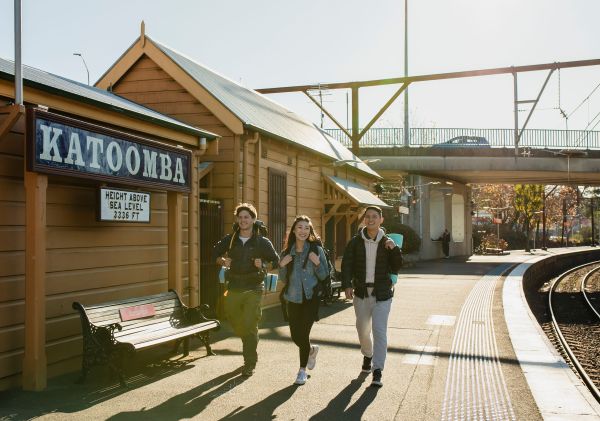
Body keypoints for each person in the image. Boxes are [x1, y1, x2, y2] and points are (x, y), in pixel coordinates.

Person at [213, 203, 279, 377]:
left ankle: (249, 362)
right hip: (234, 287)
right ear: (237, 219)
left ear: (253, 219)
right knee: (236, 322)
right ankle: (251, 338)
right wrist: (222, 261)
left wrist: (263, 264)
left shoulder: (261, 241)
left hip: (254, 288)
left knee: (249, 323)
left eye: (246, 217)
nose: (243, 220)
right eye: (240, 217)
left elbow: (276, 261)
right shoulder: (231, 239)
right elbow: (215, 254)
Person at [341, 206, 403, 388]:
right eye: (367, 217)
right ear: (364, 220)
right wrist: (347, 285)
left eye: (375, 217)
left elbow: (397, 266)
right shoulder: (355, 242)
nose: (371, 219)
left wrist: (394, 250)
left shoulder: (388, 242)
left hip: (382, 294)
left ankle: (377, 370)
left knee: (379, 331)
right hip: (361, 293)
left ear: (381, 220)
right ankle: (367, 354)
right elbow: (347, 265)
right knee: (362, 330)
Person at [278, 215, 329, 385]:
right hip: (292, 299)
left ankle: (301, 371)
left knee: (304, 334)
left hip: (310, 299)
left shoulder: (316, 250)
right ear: (293, 230)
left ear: (310, 231)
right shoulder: (287, 252)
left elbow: (324, 274)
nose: (303, 231)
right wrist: (282, 265)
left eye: (307, 228)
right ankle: (311, 350)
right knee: (295, 336)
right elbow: (284, 279)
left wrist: (317, 263)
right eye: (300, 227)